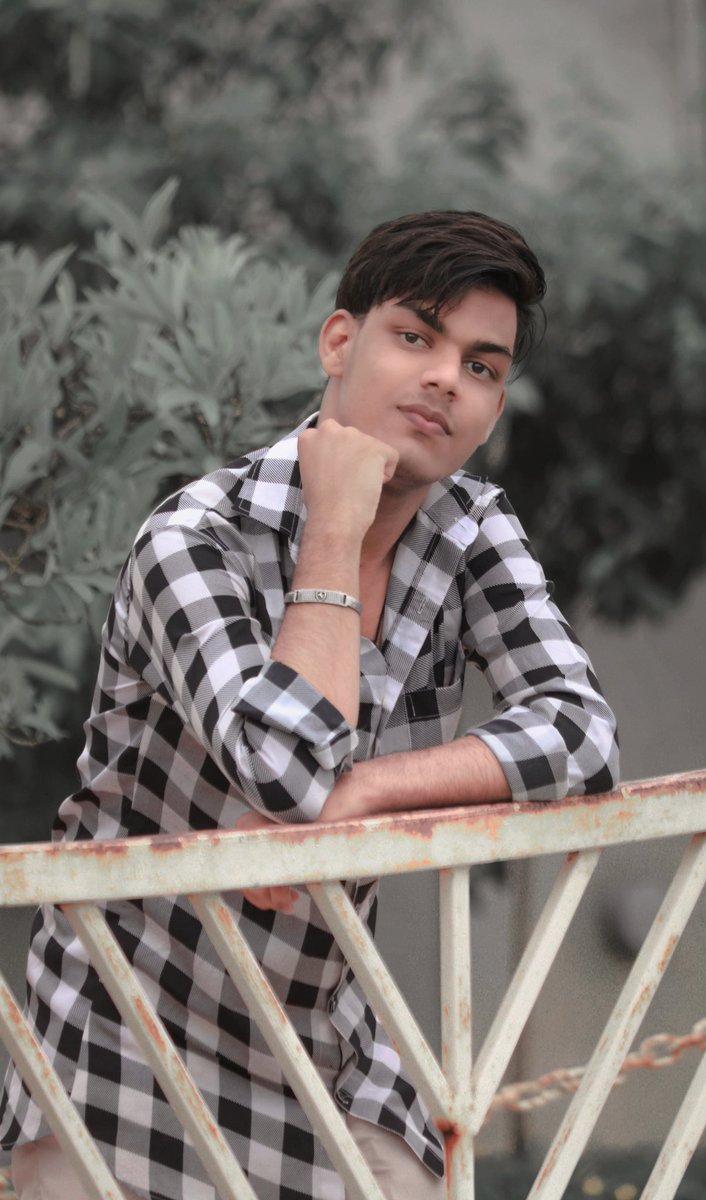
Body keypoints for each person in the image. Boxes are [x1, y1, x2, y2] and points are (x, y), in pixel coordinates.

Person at [0, 210, 619, 1200]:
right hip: (122, 1030)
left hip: (314, 1036)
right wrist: (333, 527)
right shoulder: (193, 540)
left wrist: (370, 788)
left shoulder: (471, 532)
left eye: (481, 365)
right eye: (415, 336)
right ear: (340, 341)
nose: (444, 380)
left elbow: (582, 737)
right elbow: (284, 777)